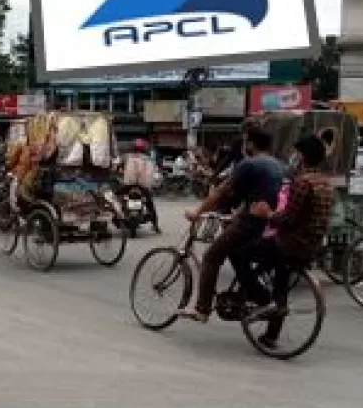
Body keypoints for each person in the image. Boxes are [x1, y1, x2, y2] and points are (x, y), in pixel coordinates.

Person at [181, 126, 285, 322]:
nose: (244, 145)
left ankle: (202, 309)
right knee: (238, 259)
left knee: (211, 257)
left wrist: (197, 211)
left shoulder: (249, 164)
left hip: (249, 224)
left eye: (246, 141)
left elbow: (221, 191)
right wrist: (236, 213)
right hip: (265, 224)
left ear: (251, 143)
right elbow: (258, 195)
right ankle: (258, 298)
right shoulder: (277, 165)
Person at [239, 135, 334, 346]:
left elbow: (288, 218)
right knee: (281, 279)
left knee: (240, 253)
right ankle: (271, 335)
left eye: (297, 154)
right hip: (312, 246)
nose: (295, 158)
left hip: (291, 243)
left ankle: (261, 298)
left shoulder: (303, 182)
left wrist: (267, 214)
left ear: (302, 156)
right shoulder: (327, 183)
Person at [121, 138, 161, 234]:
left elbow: (118, 166)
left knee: (117, 198)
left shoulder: (126, 156)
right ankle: (155, 226)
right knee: (150, 205)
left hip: (129, 185)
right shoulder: (148, 159)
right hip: (143, 186)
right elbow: (152, 172)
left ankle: (118, 216)